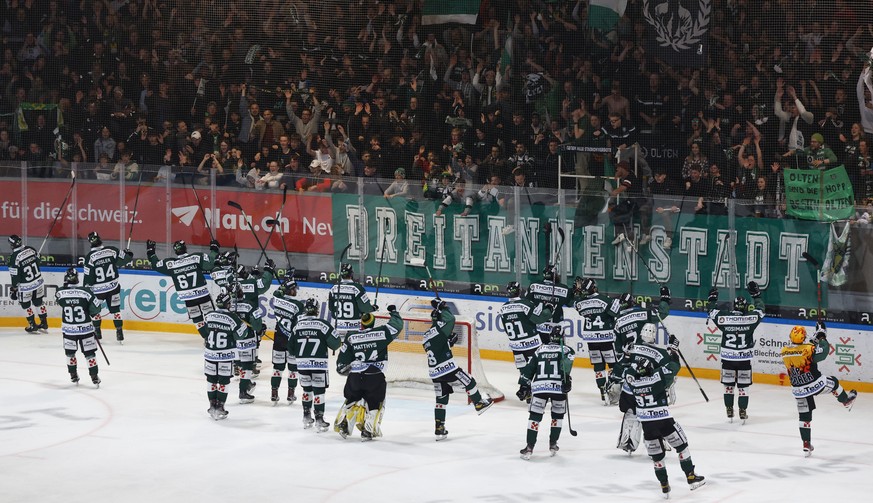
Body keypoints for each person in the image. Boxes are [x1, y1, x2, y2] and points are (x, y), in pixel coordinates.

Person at [623, 346, 706, 497]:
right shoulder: (658, 376)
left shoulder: (633, 382)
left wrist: (629, 356)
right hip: (664, 421)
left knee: (657, 458)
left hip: (647, 426)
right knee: (682, 446)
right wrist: (673, 351)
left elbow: (628, 371)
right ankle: (691, 478)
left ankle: (664, 486)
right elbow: (674, 367)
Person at [781, 322, 858, 456]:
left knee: (804, 416)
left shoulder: (784, 351)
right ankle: (846, 401)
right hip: (815, 383)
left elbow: (803, 349)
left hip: (798, 389)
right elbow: (823, 352)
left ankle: (806, 443)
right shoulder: (808, 349)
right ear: (803, 338)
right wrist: (821, 336)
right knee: (834, 382)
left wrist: (813, 340)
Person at [425, 298, 494, 440]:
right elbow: (450, 319)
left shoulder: (426, 336)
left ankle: (439, 429)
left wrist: (449, 343)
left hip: (434, 372)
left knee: (441, 399)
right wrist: (442, 306)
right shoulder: (439, 329)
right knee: (470, 382)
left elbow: (438, 347)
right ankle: (479, 403)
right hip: (448, 369)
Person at [334, 306, 403, 441]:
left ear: (361, 324)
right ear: (373, 323)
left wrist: (342, 369)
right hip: (374, 376)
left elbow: (342, 361)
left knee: (352, 399)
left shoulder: (351, 336)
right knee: (375, 403)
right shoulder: (381, 332)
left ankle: (345, 422)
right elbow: (397, 325)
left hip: (355, 376)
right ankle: (367, 430)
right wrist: (394, 312)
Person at [707, 281, 765, 423]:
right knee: (743, 388)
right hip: (744, 359)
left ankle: (729, 408)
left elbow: (711, 311)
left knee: (728, 387)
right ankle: (743, 410)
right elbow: (761, 310)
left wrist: (712, 298)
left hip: (728, 358)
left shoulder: (724, 317)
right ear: (745, 307)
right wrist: (756, 295)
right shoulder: (750, 318)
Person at [518, 324, 574, 460]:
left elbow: (528, 369)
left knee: (534, 418)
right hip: (557, 388)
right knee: (557, 417)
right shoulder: (568, 350)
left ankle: (529, 447)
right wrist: (567, 381)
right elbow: (565, 368)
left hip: (539, 387)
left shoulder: (539, 350)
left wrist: (523, 386)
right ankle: (553, 444)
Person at [146, 238, 220, 334]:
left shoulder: (170, 264)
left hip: (187, 297)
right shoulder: (196, 257)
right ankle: (213, 337)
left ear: (175, 251)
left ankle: (206, 338)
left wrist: (150, 250)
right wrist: (214, 249)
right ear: (185, 248)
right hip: (202, 294)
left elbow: (155, 265)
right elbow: (210, 264)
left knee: (197, 319)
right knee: (211, 316)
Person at [498, 281, 555, 402]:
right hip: (532, 343)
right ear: (520, 290)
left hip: (515, 345)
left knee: (523, 369)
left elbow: (505, 328)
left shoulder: (503, 308)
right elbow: (538, 319)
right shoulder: (526, 304)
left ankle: (526, 390)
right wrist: (549, 309)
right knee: (537, 367)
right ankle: (538, 393)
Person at [291, 298, 341, 431]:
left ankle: (306, 416)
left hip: (302, 365)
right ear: (317, 310)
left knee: (306, 390)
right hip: (319, 364)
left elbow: (290, 348)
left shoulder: (297, 326)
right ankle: (319, 419)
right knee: (319, 391)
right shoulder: (323, 324)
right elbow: (336, 343)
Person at [201, 287, 249, 420]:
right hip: (225, 355)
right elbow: (241, 335)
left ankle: (212, 405)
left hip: (210, 354)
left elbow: (204, 332)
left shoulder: (209, 316)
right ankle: (220, 406)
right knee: (223, 381)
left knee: (211, 380)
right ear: (228, 304)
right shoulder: (233, 318)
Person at [574, 277, 622, 403]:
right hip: (606, 337)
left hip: (591, 338)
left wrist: (579, 294)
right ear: (594, 287)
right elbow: (615, 312)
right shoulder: (604, 300)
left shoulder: (580, 303)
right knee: (612, 364)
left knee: (598, 365)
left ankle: (602, 390)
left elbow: (577, 306)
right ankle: (612, 390)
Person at [55, 267, 103, 387]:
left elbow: (60, 301)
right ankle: (94, 376)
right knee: (89, 353)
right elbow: (96, 309)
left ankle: (73, 375)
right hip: (86, 329)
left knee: (70, 353)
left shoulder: (60, 292)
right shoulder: (86, 292)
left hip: (69, 330)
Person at [82, 232, 133, 343]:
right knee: (116, 311)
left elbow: (89, 277)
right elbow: (124, 260)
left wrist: (86, 289)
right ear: (100, 239)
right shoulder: (111, 250)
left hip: (98, 291)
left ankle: (97, 332)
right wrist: (128, 254)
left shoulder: (90, 257)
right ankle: (119, 332)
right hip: (112, 287)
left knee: (95, 311)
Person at [271, 276, 303, 404]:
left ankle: (274, 393)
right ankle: (291, 393)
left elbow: (277, 292)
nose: (296, 291)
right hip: (291, 341)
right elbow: (299, 324)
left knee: (277, 368)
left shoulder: (277, 299)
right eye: (294, 288)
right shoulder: (298, 305)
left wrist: (285, 283)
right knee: (293, 369)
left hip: (278, 338)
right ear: (290, 290)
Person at [7, 235, 48, 332]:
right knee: (38, 302)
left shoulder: (13, 258)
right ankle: (44, 323)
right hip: (38, 282)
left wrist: (14, 288)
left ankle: (32, 324)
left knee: (26, 305)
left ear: (12, 245)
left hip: (26, 287)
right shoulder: (31, 249)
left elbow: (15, 277)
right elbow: (39, 260)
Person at [328, 263, 375, 342]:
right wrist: (373, 308)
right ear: (351, 274)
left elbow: (331, 308)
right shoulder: (356, 288)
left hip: (338, 328)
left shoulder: (334, 288)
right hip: (354, 329)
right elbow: (366, 308)